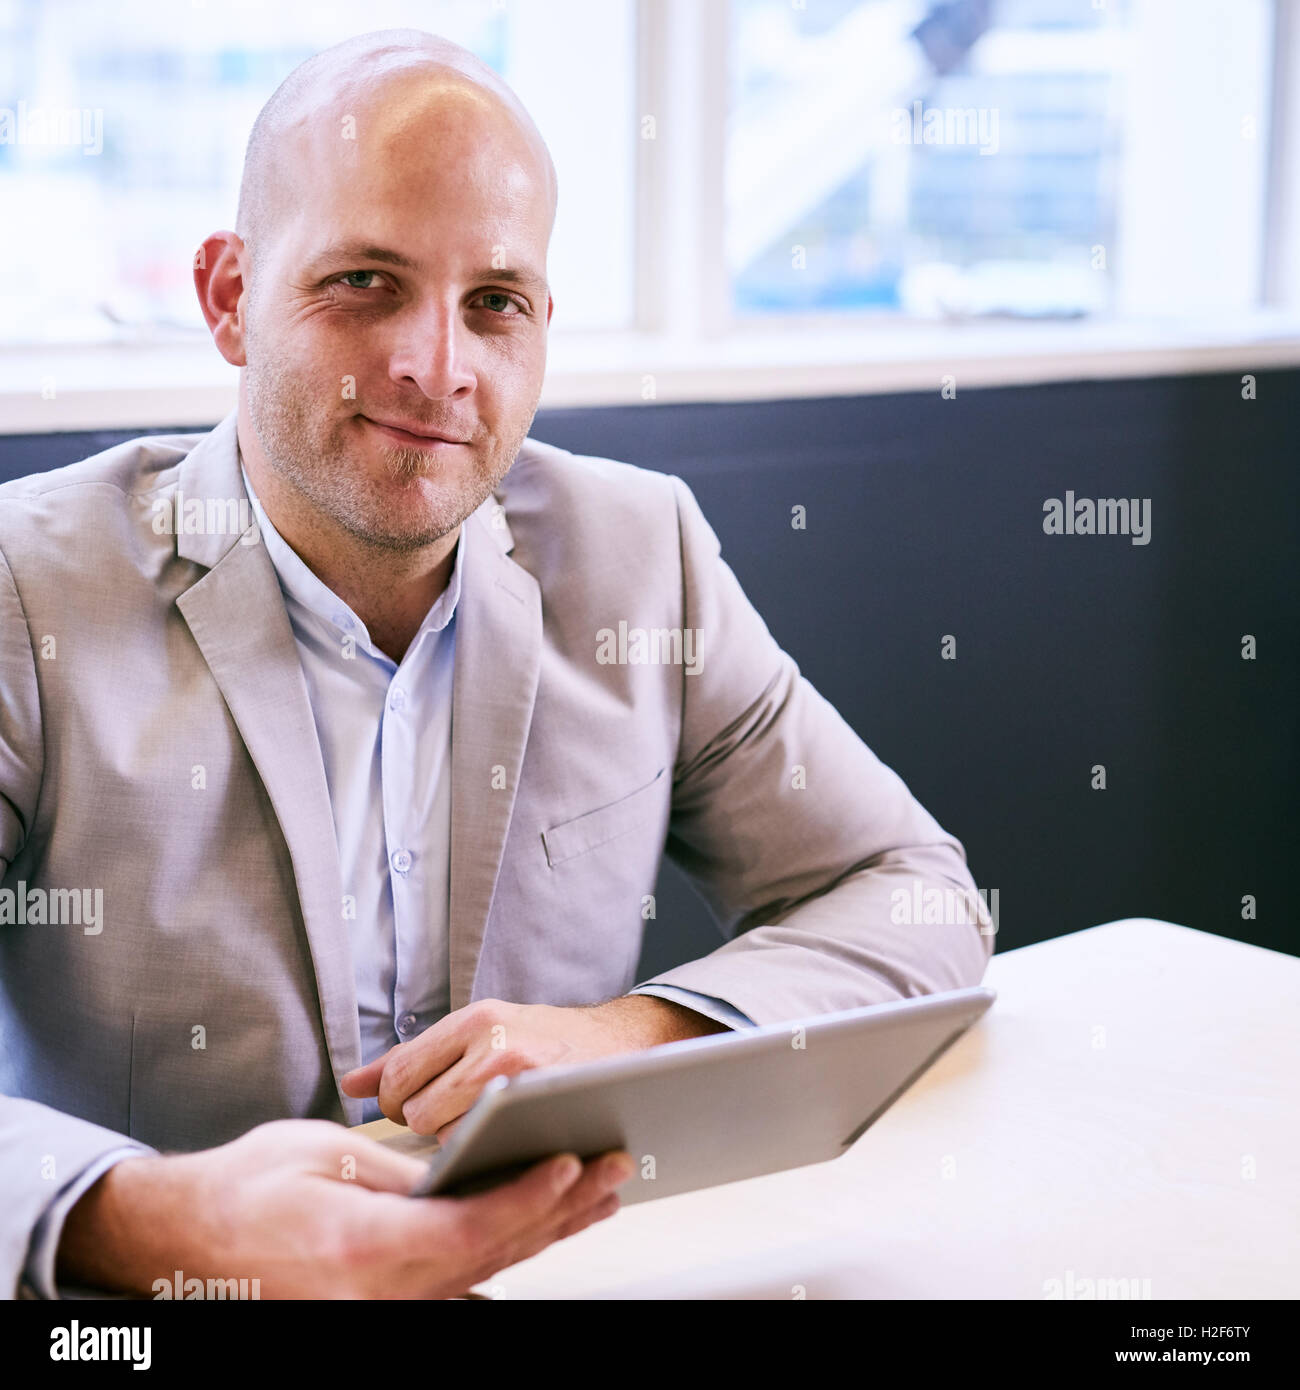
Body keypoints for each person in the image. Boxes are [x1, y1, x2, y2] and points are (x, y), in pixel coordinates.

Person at [0, 29, 991, 1300]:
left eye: (494, 302)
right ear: (227, 298)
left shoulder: (643, 559)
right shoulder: (30, 587)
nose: (437, 366)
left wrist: (625, 1040)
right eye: (363, 280)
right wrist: (147, 1221)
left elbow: (911, 891)